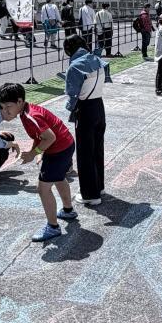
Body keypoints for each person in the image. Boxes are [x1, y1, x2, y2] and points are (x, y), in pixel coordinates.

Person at [0, 82, 78, 241]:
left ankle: (53, 227)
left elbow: (50, 137)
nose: (5, 111)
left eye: (8, 106)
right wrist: (38, 151)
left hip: (58, 149)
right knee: (59, 177)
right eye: (2, 107)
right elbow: (39, 136)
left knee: (43, 189)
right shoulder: (26, 111)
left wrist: (35, 153)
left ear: (20, 101)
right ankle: (68, 210)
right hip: (65, 144)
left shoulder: (30, 116)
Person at [64, 34, 110, 205]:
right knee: (97, 149)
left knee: (85, 153)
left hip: (85, 109)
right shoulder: (96, 59)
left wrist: (70, 109)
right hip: (99, 105)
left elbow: (72, 95)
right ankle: (99, 187)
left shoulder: (75, 66)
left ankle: (90, 195)